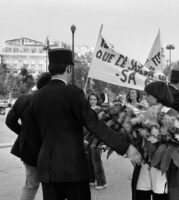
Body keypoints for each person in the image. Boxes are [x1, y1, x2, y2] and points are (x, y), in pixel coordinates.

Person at [29, 48, 142, 200]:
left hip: (47, 170)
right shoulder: (73, 93)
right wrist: (126, 147)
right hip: (73, 168)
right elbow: (94, 124)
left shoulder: (36, 97)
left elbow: (32, 134)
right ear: (69, 68)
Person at [5, 72, 51, 200]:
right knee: (51, 186)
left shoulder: (23, 99)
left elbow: (9, 121)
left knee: (30, 185)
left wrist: (24, 133)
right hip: (48, 149)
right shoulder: (51, 100)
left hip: (28, 150)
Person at [85, 93, 107, 190]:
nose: (92, 101)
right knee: (89, 160)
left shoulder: (101, 110)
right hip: (87, 138)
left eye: (94, 99)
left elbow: (103, 125)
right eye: (90, 99)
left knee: (96, 160)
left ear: (97, 100)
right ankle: (92, 180)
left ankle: (102, 182)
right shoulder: (85, 110)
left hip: (97, 138)